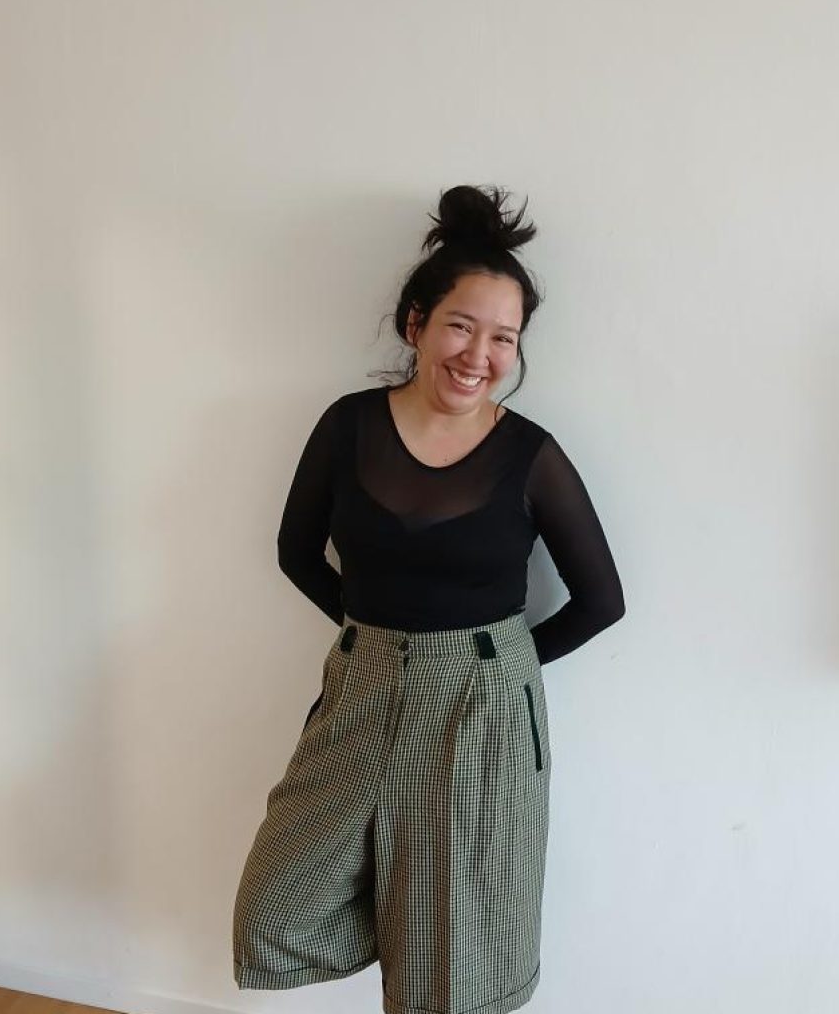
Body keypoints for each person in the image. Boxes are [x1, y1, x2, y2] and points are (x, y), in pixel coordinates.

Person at [232, 185, 625, 1014]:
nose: (480, 354)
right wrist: (378, 639)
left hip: (480, 705)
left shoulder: (530, 456)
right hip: (363, 686)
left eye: (504, 338)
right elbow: (296, 553)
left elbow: (601, 599)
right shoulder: (347, 426)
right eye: (461, 326)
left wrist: (494, 665)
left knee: (452, 958)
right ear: (416, 323)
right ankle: (402, 922)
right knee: (277, 904)